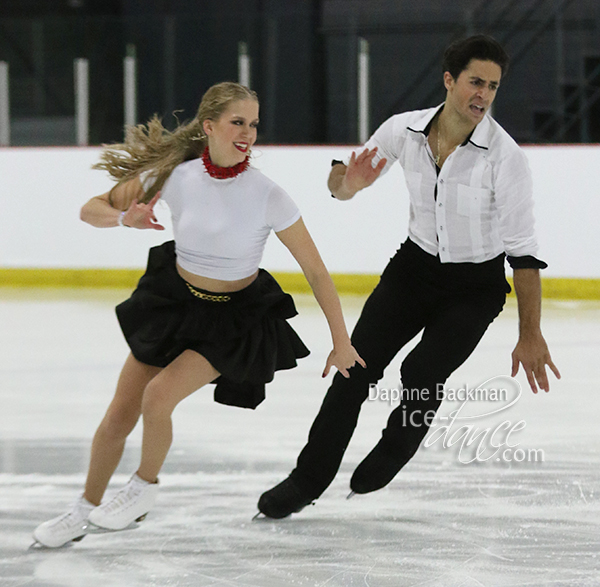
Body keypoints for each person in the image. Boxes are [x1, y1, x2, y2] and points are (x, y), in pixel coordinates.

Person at [32, 81, 365, 548]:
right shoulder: (177, 175)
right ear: (209, 126)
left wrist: (341, 339)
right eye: (237, 122)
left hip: (232, 320)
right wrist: (123, 218)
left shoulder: (268, 194)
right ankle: (83, 509)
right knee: (118, 415)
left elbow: (315, 270)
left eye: (253, 123)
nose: (248, 132)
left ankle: (143, 490)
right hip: (174, 304)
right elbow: (92, 209)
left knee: (157, 398)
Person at [257, 35, 561, 519]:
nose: (482, 95)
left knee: (421, 372)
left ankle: (399, 443)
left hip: (476, 287)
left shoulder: (506, 159)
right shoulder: (405, 131)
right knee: (352, 369)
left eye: (493, 86)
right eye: (474, 82)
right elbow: (343, 186)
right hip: (412, 271)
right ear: (449, 80)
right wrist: (346, 183)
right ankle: (306, 479)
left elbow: (523, 255)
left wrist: (530, 333)